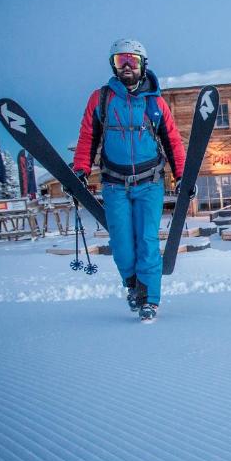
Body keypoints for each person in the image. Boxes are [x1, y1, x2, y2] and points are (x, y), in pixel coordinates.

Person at [73, 39, 186, 322]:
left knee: (147, 241)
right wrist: (80, 170)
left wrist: (183, 174)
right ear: (113, 65)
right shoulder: (100, 99)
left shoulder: (155, 102)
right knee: (122, 246)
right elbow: (88, 136)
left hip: (150, 184)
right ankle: (133, 285)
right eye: (120, 60)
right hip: (114, 184)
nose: (126, 67)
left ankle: (150, 298)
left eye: (132, 61)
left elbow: (172, 140)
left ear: (142, 65)